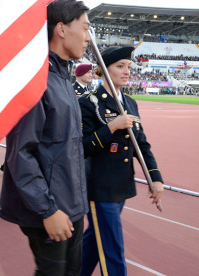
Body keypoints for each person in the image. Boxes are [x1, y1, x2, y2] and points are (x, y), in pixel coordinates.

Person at [0, 0, 90, 275]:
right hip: (50, 212)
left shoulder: (63, 79)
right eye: (85, 28)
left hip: (71, 208)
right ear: (61, 29)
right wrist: (48, 210)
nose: (88, 38)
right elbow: (20, 154)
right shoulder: (36, 82)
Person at [78, 46, 164, 276]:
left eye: (128, 66)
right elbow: (82, 148)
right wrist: (112, 126)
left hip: (121, 186)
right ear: (103, 70)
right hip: (99, 188)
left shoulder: (129, 102)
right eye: (120, 66)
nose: (127, 71)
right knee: (113, 249)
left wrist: (155, 178)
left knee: (95, 241)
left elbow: (141, 144)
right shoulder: (89, 102)